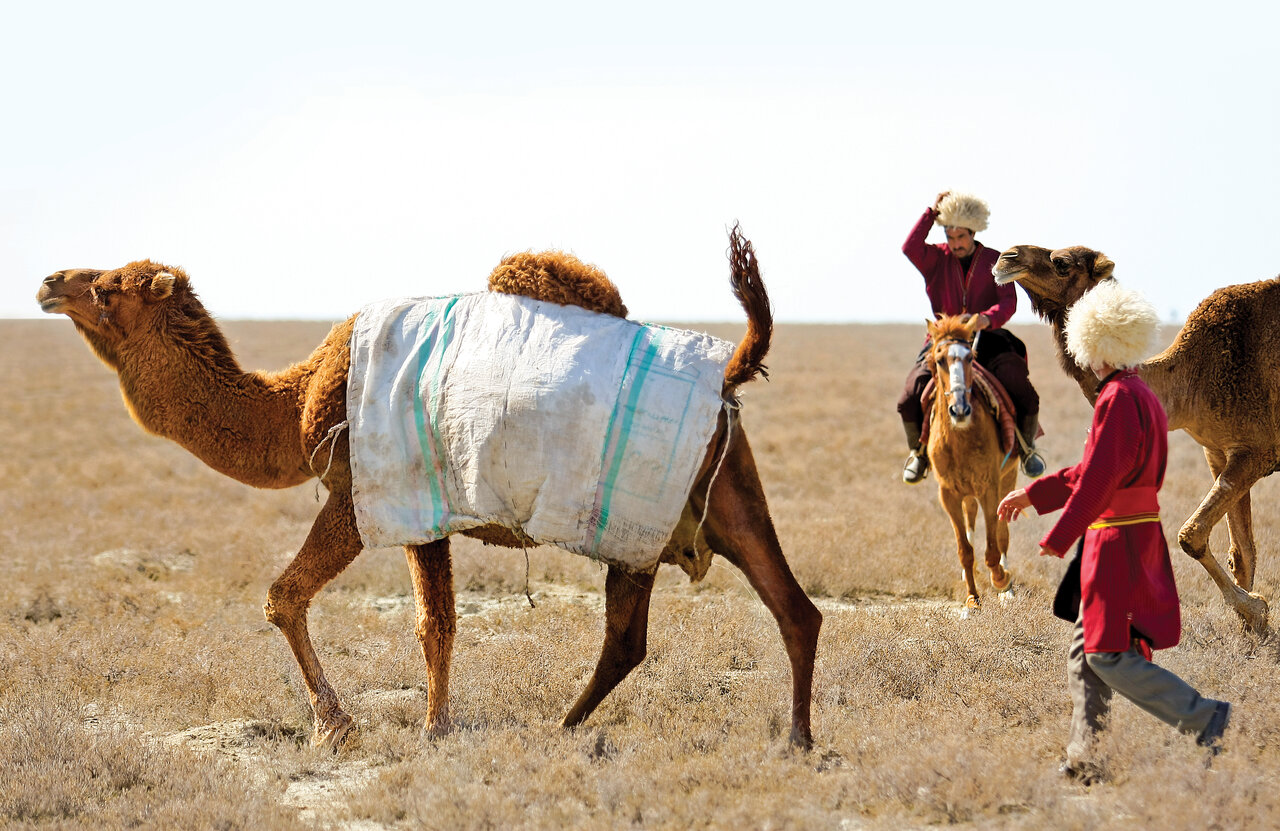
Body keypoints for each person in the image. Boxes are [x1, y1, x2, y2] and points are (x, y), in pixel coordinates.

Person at [996, 280, 1231, 784]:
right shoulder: (1137, 393)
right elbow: (1089, 470)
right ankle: (1086, 759)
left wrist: (1058, 537)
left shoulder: (1117, 400)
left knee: (1107, 653)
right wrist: (1032, 496)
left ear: (1095, 345)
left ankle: (1204, 717)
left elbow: (1099, 480)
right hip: (1128, 534)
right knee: (1085, 653)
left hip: (1116, 541)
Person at [899, 191, 1044, 483]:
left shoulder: (995, 260)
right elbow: (909, 247)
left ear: (973, 232)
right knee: (909, 396)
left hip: (988, 338)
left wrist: (986, 318)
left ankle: (1027, 450)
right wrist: (931, 212)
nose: (955, 244)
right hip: (943, 341)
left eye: (961, 237)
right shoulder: (934, 259)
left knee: (1022, 389)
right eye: (950, 237)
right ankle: (919, 453)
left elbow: (1008, 302)